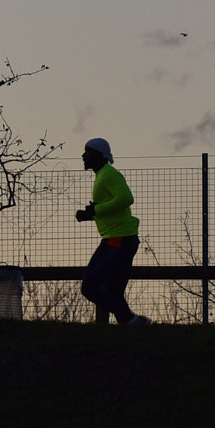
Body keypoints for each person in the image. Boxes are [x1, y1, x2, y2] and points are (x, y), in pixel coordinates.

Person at [75, 137, 147, 325]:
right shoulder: (103, 175)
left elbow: (125, 198)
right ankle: (131, 326)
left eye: (87, 152)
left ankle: (130, 319)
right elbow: (113, 206)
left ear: (99, 155)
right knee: (114, 291)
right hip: (122, 239)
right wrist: (89, 215)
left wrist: (96, 210)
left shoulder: (108, 174)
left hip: (117, 240)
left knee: (90, 286)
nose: (83, 156)